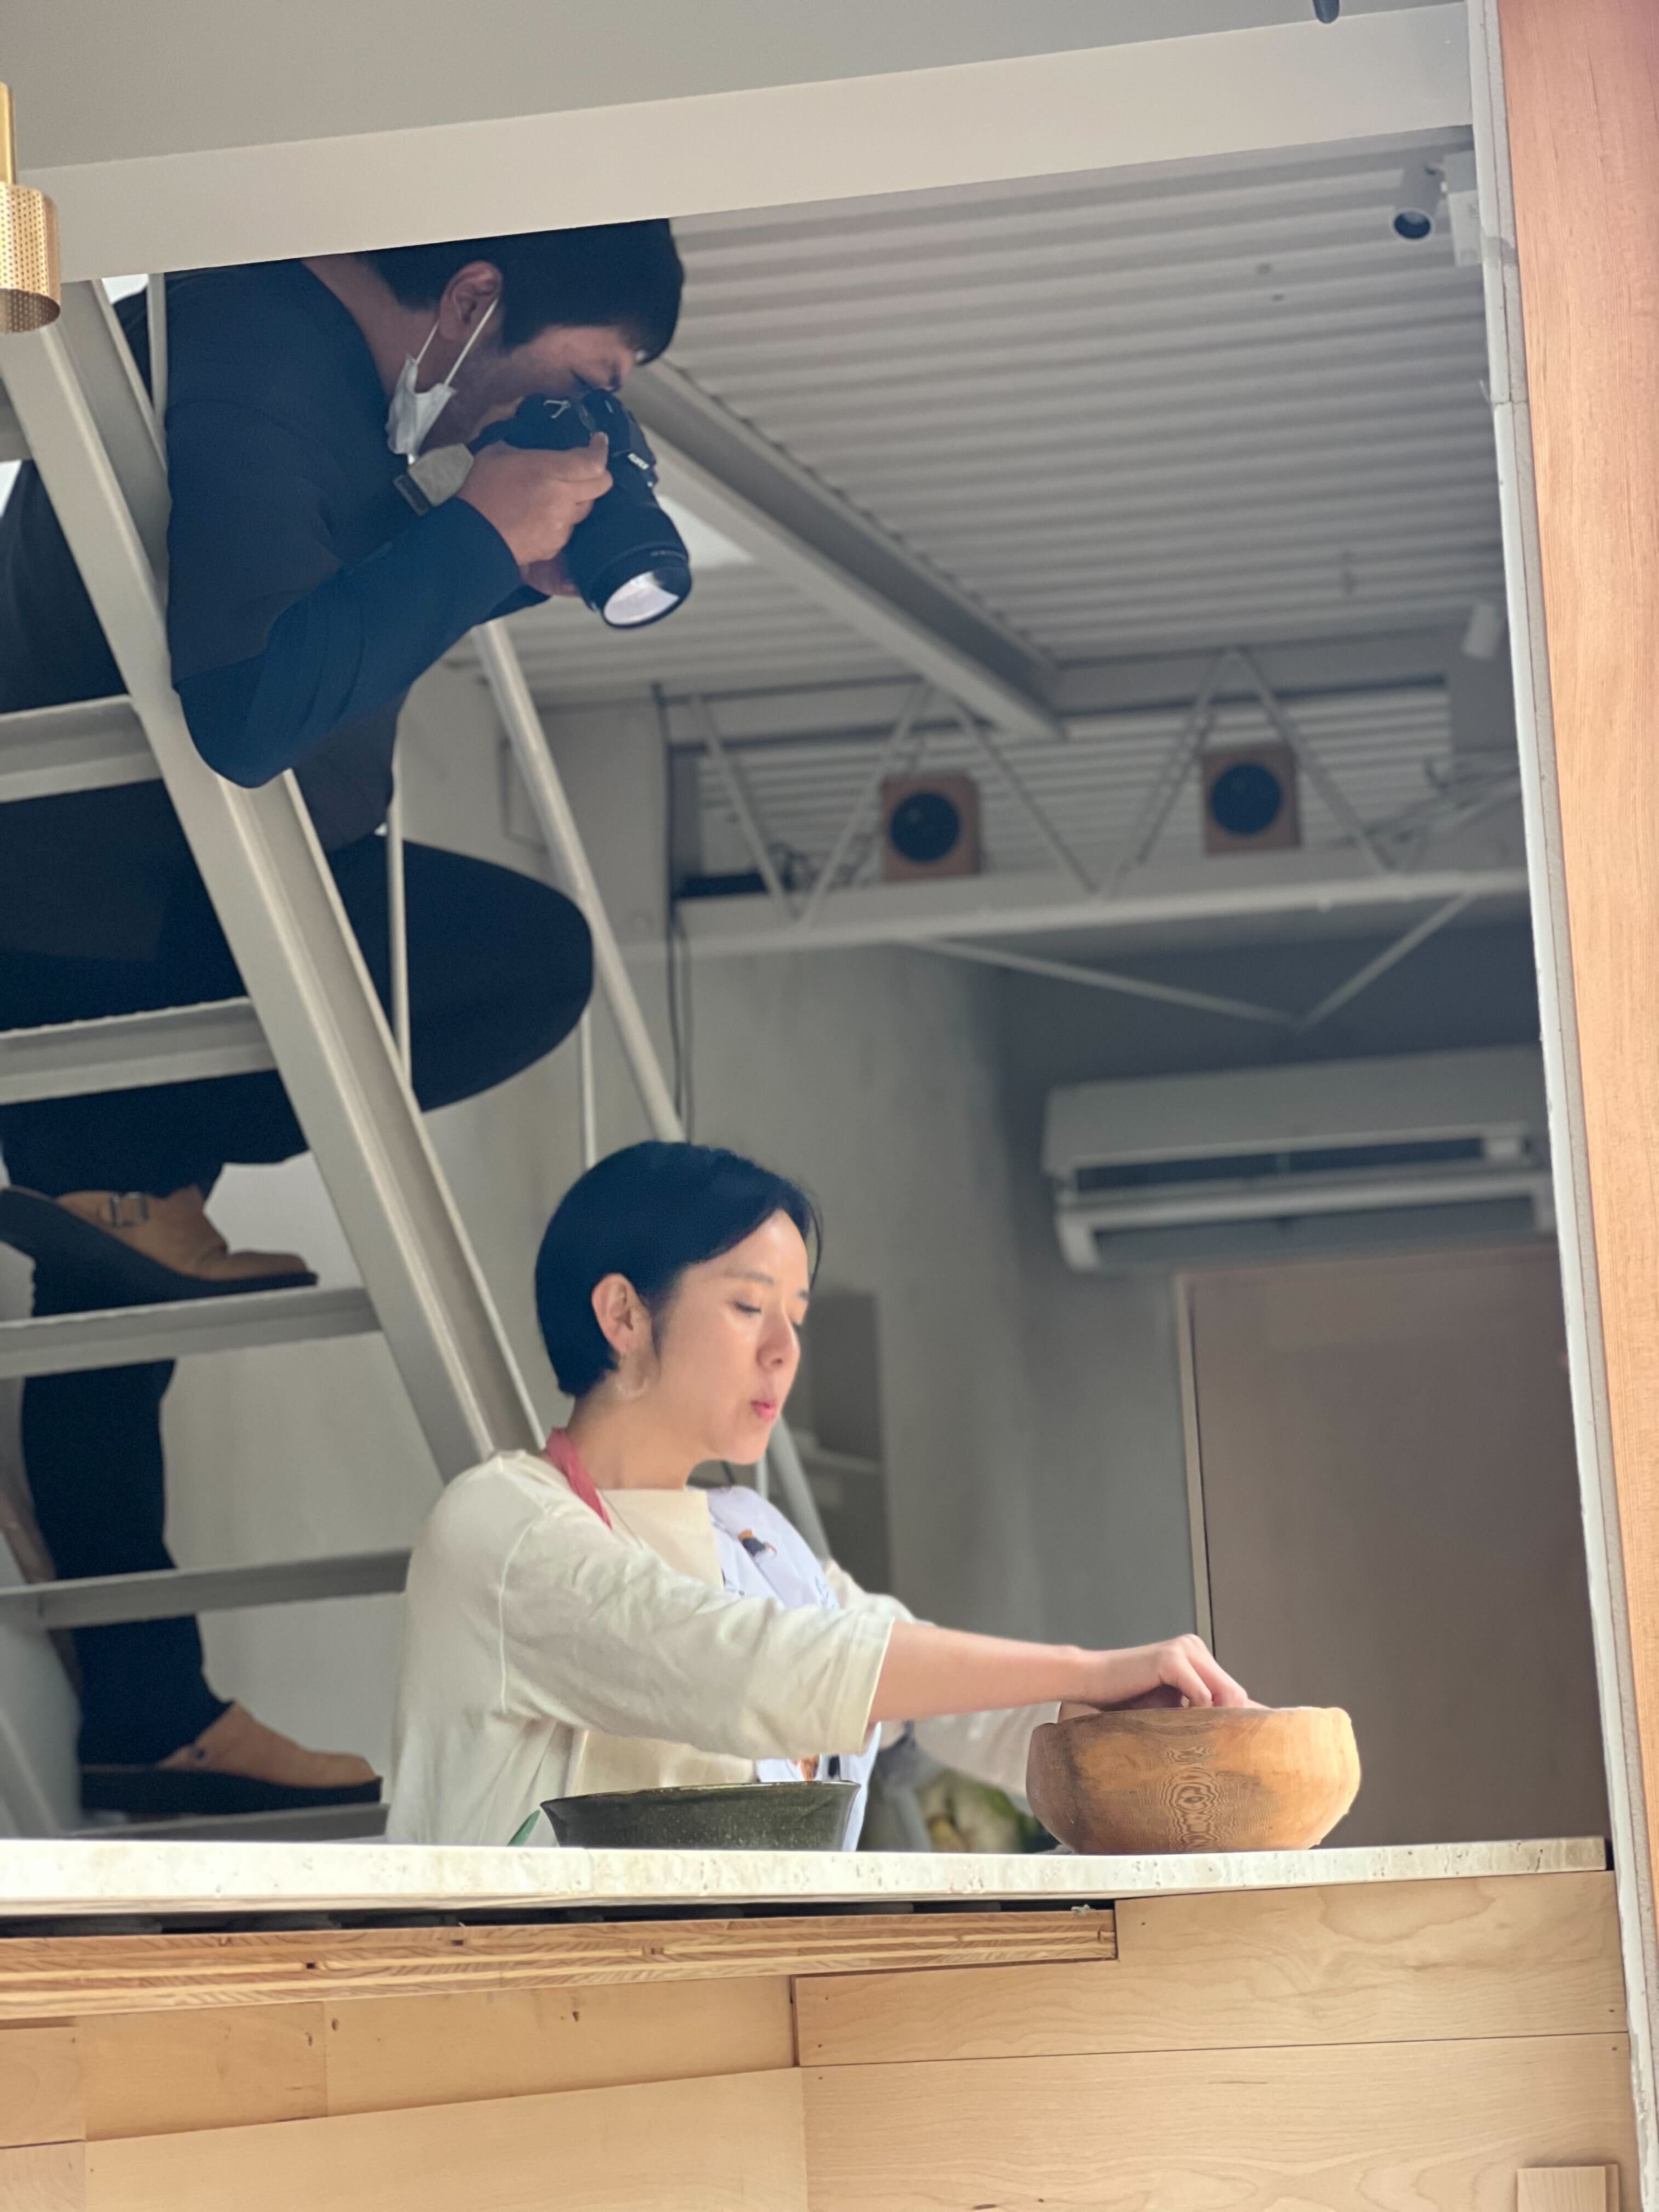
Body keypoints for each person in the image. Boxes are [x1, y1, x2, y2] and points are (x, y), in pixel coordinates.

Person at [0, 221, 685, 1818]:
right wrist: (475, 536)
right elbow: (253, 711)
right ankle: (114, 1177)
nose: (578, 413)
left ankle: (150, 1716)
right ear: (474, 299)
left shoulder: (286, 369)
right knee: (521, 961)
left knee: (121, 1292)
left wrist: (495, 562)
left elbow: (302, 638)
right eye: (584, 377)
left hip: (120, 906)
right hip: (96, 925)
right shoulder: (257, 359)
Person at [388, 1142, 1249, 1847]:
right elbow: (747, 1670)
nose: (785, 1350)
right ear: (624, 1316)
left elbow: (935, 1698)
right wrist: (1091, 1667)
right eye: (748, 1306)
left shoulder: (754, 1539)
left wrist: (1117, 1712)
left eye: (795, 1317)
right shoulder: (501, 1526)